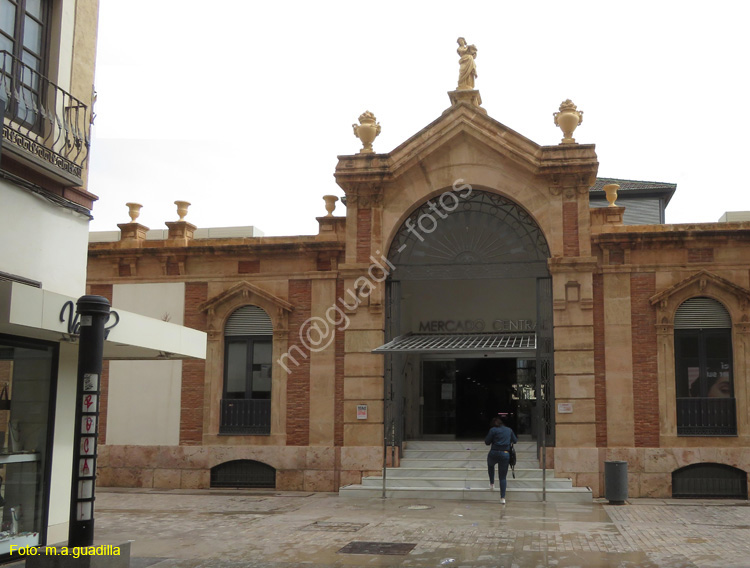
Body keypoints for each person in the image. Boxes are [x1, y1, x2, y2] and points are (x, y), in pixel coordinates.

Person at [485, 415, 517, 504]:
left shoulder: (493, 430)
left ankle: (492, 483)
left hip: (494, 452)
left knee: (490, 465)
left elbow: (487, 442)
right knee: (502, 477)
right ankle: (502, 498)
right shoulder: (509, 430)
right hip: (505, 453)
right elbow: (515, 441)